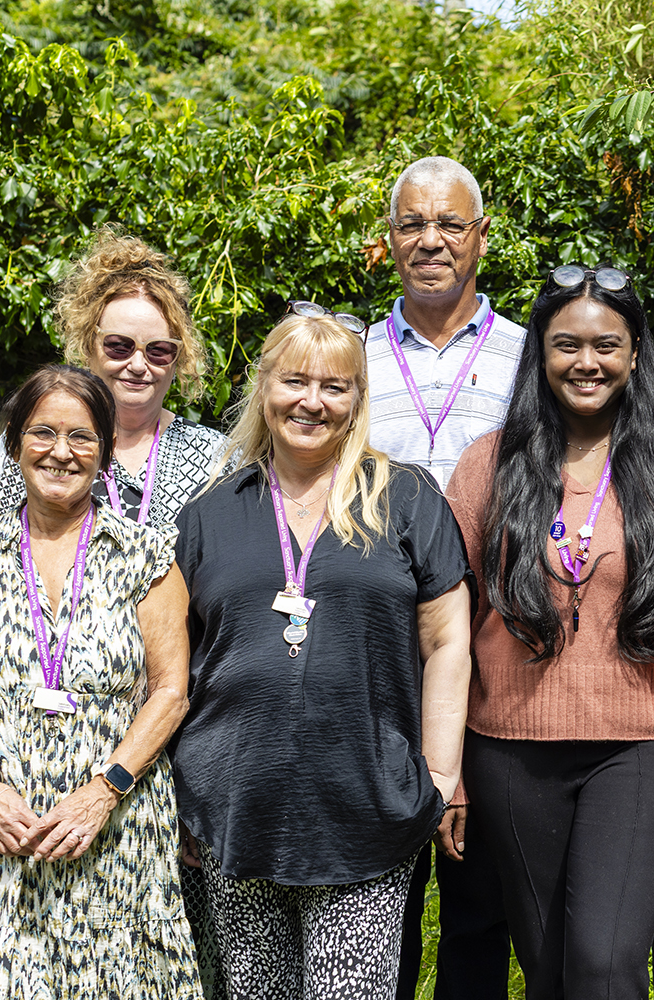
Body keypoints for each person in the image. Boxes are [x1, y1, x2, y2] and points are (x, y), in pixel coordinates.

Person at [445, 264, 654, 999]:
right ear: (540, 354)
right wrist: (444, 768)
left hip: (638, 752)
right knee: (547, 970)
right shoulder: (489, 465)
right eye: (566, 345)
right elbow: (448, 625)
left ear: (637, 352)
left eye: (607, 345)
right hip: (509, 754)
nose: (587, 363)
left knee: (606, 963)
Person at [170, 309, 473, 999]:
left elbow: (448, 638)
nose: (312, 401)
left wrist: (441, 774)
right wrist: (180, 797)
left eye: (335, 387)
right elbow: (173, 659)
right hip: (234, 811)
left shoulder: (405, 498)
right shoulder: (212, 510)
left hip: (366, 810)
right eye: (295, 381)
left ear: (358, 400)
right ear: (264, 388)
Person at [0, 364, 201, 998]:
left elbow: (170, 692)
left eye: (82, 437)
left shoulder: (145, 555)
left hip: (115, 829)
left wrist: (102, 793)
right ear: (15, 441)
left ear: (103, 450)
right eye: (43, 432)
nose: (61, 452)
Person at [369, 155, 524, 999]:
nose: (431, 241)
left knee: (479, 907)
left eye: (450, 225)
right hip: (378, 666)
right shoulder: (348, 362)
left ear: (481, 238)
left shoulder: (533, 357)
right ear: (388, 241)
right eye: (412, 225)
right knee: (380, 903)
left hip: (499, 659)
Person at [0, 227, 229, 531]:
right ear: (88, 344)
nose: (139, 365)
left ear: (178, 358)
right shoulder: (37, 444)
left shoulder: (215, 458)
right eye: (119, 346)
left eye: (158, 350)